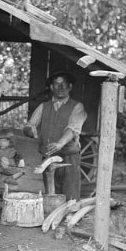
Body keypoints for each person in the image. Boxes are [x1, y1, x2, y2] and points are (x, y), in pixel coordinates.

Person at [23, 71, 87, 201]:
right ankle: (52, 219)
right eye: (57, 84)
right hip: (48, 157)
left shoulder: (77, 107)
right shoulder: (43, 106)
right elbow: (29, 126)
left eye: (64, 84)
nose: (60, 87)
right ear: (52, 87)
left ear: (70, 87)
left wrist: (60, 143)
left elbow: (72, 129)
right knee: (50, 194)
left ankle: (70, 218)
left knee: (71, 194)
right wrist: (30, 131)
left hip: (69, 156)